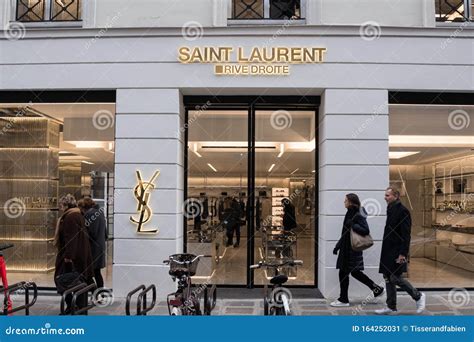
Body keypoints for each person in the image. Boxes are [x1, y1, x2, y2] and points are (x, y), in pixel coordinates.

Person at [375, 187, 425, 315]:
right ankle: (391, 307)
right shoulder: (391, 208)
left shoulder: (403, 211)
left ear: (396, 196)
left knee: (395, 277)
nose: (385, 198)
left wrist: (403, 253)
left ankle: (418, 296)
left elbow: (406, 234)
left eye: (387, 195)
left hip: (397, 251)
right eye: (385, 195)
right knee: (387, 277)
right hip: (387, 249)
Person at [331, 193, 384, 307]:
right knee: (355, 273)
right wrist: (338, 246)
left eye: (345, 200)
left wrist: (353, 225)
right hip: (346, 248)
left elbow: (365, 230)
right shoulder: (349, 212)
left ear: (351, 201)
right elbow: (345, 233)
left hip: (352, 250)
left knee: (344, 273)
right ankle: (377, 289)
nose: (344, 202)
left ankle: (343, 299)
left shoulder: (358, 213)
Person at [54, 194, 94, 314]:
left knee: (59, 279)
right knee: (79, 282)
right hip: (80, 256)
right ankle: (78, 307)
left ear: (66, 205)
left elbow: (71, 238)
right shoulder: (77, 214)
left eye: (61, 205)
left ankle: (73, 305)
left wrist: (68, 257)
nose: (60, 207)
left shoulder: (70, 217)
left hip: (73, 258)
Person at [78, 197, 107, 290]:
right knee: (97, 272)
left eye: (81, 209)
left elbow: (91, 232)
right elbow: (105, 233)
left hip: (92, 248)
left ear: (84, 207)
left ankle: (95, 293)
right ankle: (100, 294)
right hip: (100, 246)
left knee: (87, 273)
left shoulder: (90, 214)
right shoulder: (100, 213)